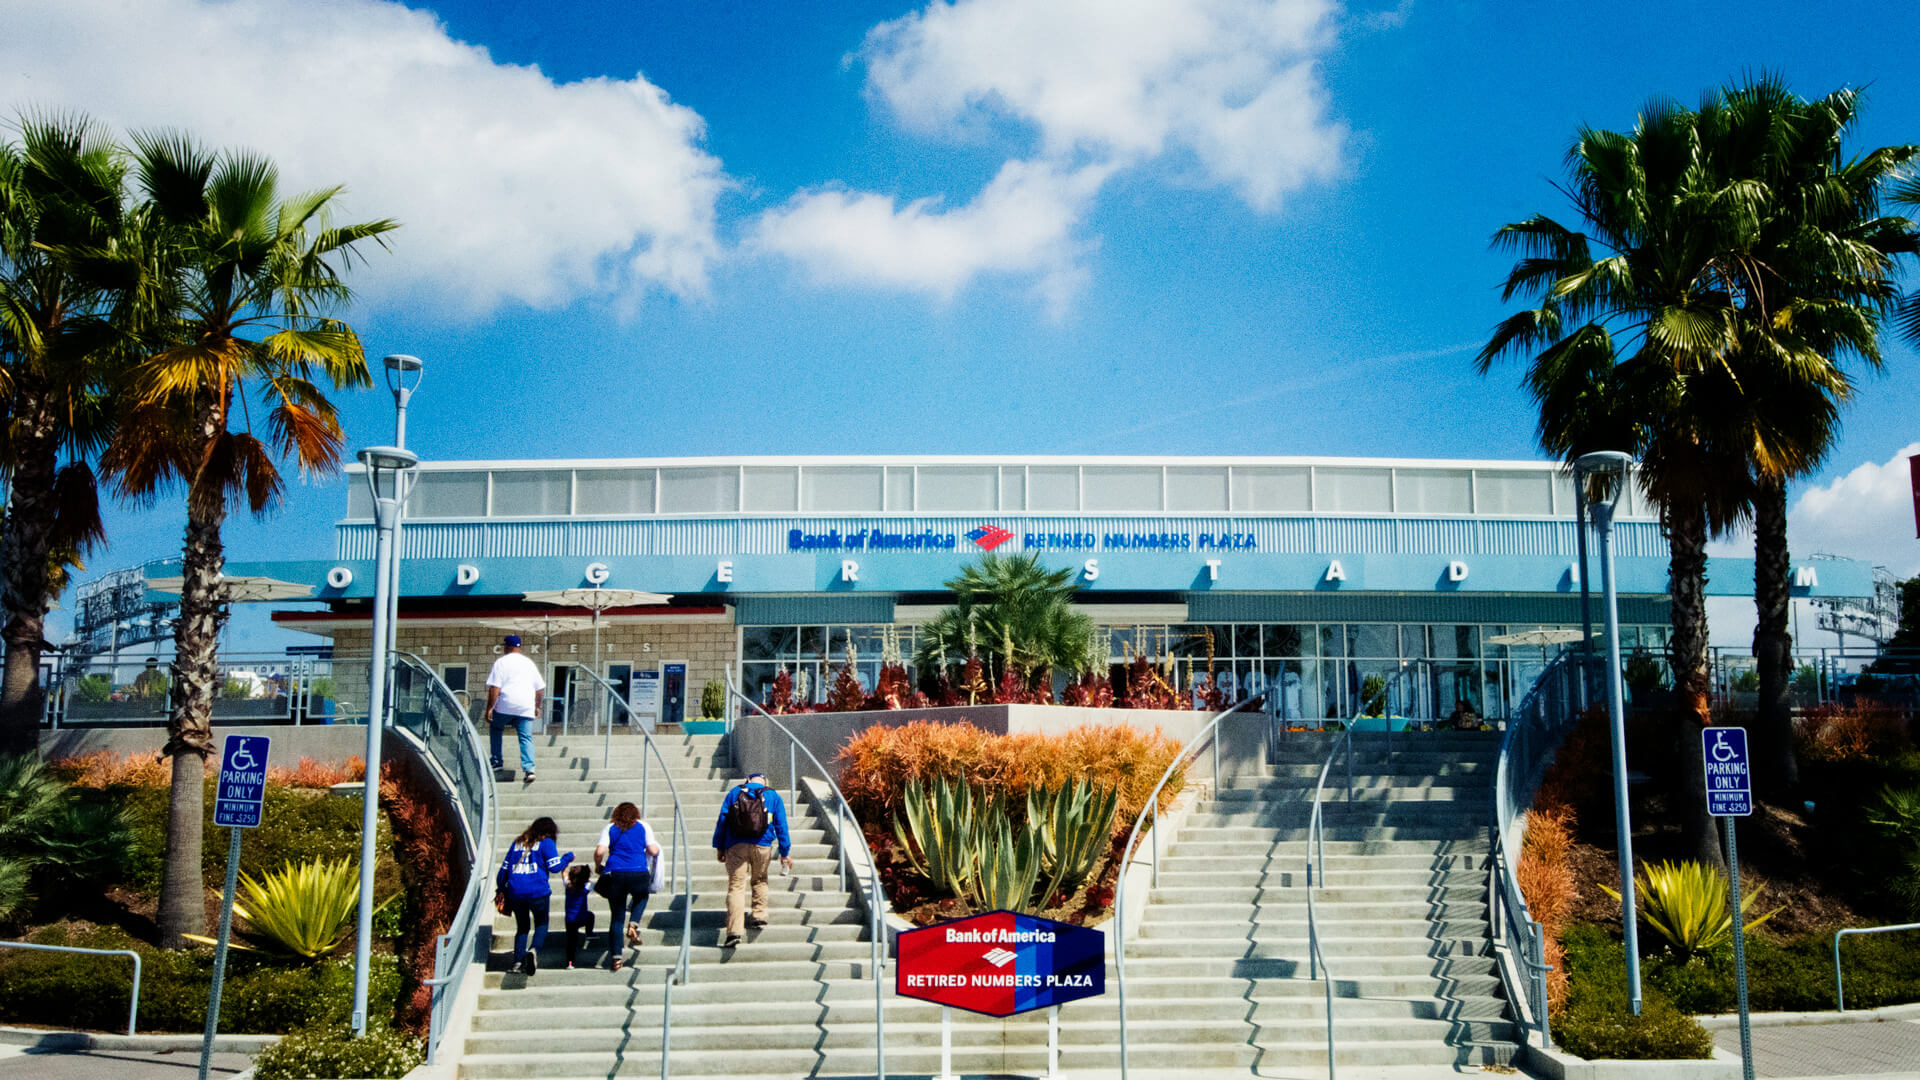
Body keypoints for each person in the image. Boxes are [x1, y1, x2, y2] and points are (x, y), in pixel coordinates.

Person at [711, 771, 790, 948]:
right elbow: (781, 826)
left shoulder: (734, 793)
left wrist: (720, 846)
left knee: (736, 886)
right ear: (765, 782)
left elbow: (722, 821)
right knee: (760, 880)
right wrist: (785, 851)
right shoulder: (772, 795)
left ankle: (734, 932)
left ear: (747, 780)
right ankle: (759, 916)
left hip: (736, 845)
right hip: (763, 845)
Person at [495, 816, 572, 975]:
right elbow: (555, 867)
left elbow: (503, 871)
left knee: (522, 927)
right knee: (542, 924)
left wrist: (501, 888)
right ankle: (534, 951)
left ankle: (517, 962)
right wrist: (568, 857)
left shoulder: (517, 843)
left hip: (516, 893)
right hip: (538, 892)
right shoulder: (546, 842)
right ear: (550, 831)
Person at [595, 800, 660, 972]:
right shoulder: (643, 826)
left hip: (615, 874)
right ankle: (633, 924)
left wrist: (597, 866)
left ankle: (616, 958)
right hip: (638, 872)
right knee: (642, 895)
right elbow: (653, 850)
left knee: (616, 917)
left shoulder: (610, 828)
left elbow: (600, 851)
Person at [486, 635, 546, 782]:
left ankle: (497, 762)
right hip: (525, 707)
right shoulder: (529, 663)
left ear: (506, 647)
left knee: (496, 728)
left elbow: (494, 688)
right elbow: (540, 689)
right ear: (519, 648)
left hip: (505, 705)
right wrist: (537, 707)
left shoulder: (501, 662)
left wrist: (489, 708)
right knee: (525, 737)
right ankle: (529, 769)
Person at [561, 864, 595, 970]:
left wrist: (566, 862)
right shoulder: (587, 886)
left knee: (571, 942)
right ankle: (589, 933)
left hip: (570, 920)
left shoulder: (568, 884)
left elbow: (563, 873)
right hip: (582, 917)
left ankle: (570, 963)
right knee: (591, 916)